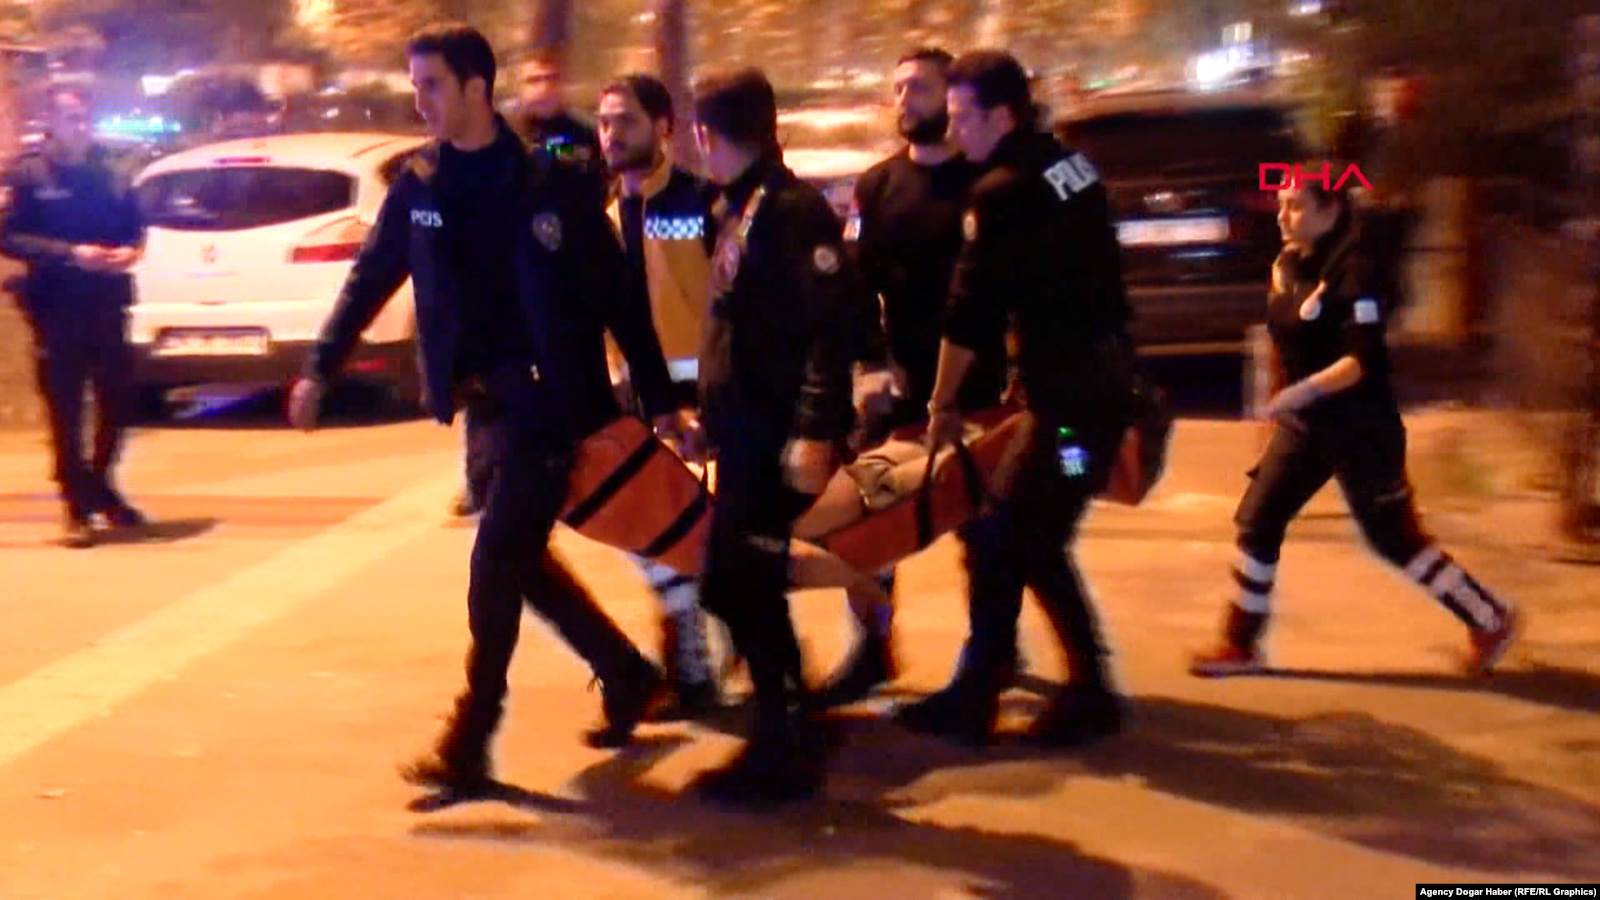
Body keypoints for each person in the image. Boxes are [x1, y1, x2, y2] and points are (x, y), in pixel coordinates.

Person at [287, 24, 684, 794]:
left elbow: (618, 296)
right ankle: (626, 671)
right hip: (484, 409)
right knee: (521, 563)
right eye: (415, 86)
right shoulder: (421, 183)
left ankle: (473, 735)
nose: (420, 101)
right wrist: (319, 368)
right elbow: (370, 279)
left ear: (477, 88)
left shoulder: (547, 179)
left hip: (550, 401)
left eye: (432, 85)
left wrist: (661, 400)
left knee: (495, 563)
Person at [894, 50, 1135, 747]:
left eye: (964, 116)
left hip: (1074, 411)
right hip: (1092, 393)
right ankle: (1013, 683)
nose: (954, 129)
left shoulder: (1001, 191)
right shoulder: (1069, 165)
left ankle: (1062, 691)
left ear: (1001, 116)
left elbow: (971, 311)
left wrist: (942, 403)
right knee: (1026, 533)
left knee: (1011, 532)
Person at [1189, 176, 1519, 678]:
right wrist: (1272, 408)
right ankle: (1240, 644)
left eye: (1295, 206)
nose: (1282, 216)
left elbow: (1360, 362)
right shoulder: (1287, 264)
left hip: (1360, 426)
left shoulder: (1356, 270)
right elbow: (1281, 339)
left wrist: (1300, 392)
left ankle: (1489, 617)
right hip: (1305, 426)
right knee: (1258, 520)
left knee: (1393, 539)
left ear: (1330, 211)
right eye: (1281, 205)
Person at [689, 67, 862, 806]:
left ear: (704, 134)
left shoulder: (791, 211)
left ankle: (779, 747)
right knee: (745, 585)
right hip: (742, 431)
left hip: (775, 434)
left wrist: (814, 432)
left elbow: (834, 327)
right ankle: (789, 719)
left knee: (737, 582)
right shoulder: (737, 206)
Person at [816, 46, 1006, 709]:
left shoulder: (983, 181)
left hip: (976, 385)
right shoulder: (878, 185)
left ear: (950, 98)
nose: (905, 99)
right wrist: (871, 363)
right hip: (899, 388)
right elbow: (856, 283)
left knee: (984, 531)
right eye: (898, 87)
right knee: (868, 525)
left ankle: (990, 655)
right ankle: (873, 650)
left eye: (920, 87)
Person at [594, 72, 719, 719]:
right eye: (605, 122)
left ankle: (711, 660)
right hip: (636, 403)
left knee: (708, 538)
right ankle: (693, 660)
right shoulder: (603, 217)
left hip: (704, 402)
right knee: (647, 535)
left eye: (627, 121)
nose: (612, 134)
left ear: (664, 127)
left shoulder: (699, 203)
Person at [1, 85, 147, 548]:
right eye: (69, 117)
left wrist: (130, 251)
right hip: (56, 306)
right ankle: (76, 508)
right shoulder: (27, 174)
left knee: (117, 402)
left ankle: (100, 483)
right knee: (65, 408)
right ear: (51, 121)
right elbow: (8, 237)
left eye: (84, 117)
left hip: (107, 300)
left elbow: (134, 225)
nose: (79, 126)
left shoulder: (112, 171)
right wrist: (70, 254)